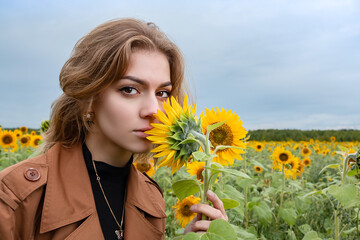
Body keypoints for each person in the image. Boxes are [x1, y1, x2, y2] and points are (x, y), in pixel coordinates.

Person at [0, 18, 227, 240]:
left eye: (162, 93)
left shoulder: (152, 200)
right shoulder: (15, 197)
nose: (153, 110)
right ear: (89, 96)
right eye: (129, 89)